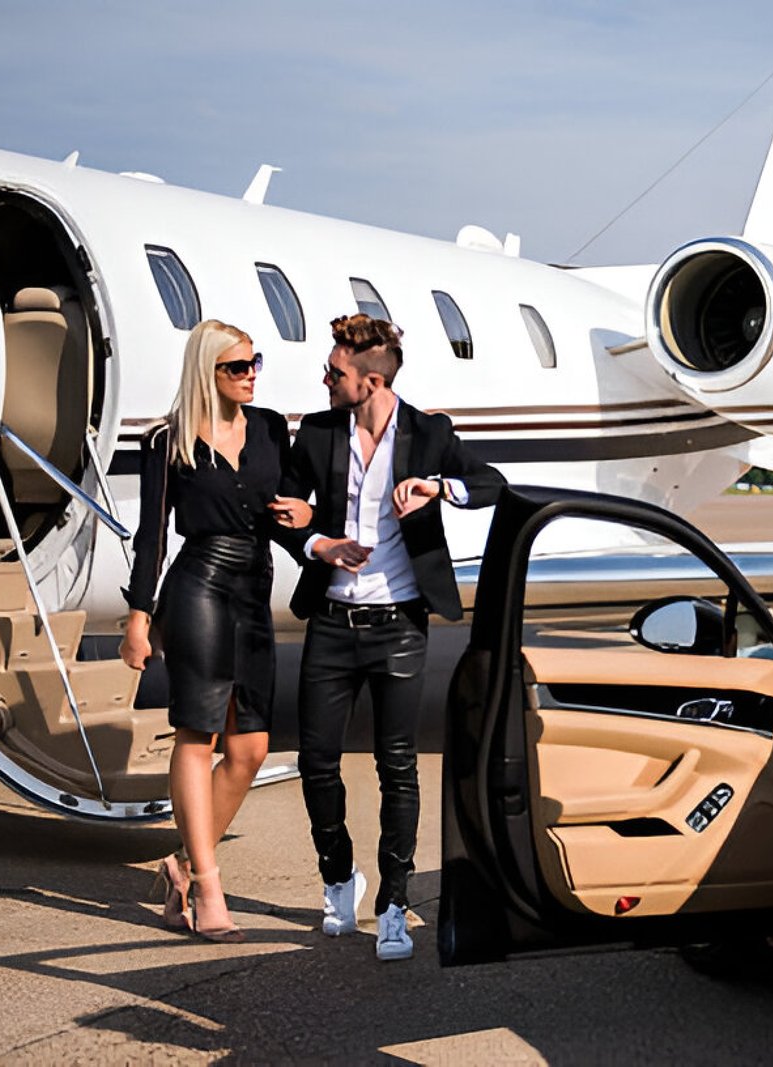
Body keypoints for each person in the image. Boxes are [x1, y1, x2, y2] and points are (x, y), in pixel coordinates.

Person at [278, 313, 504, 961]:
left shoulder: (430, 433)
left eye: (336, 372)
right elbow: (286, 510)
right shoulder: (319, 434)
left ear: (371, 381)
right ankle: (339, 876)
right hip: (330, 622)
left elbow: (491, 483)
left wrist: (437, 486)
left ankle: (394, 905)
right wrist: (318, 540)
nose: (326, 379)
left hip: (400, 626)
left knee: (396, 767)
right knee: (317, 762)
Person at [120, 319, 308, 942]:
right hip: (197, 584)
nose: (251, 375)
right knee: (197, 736)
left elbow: (283, 513)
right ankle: (209, 884)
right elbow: (153, 535)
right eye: (237, 367)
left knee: (251, 748)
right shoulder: (167, 442)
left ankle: (177, 865)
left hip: (254, 585)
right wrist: (138, 620)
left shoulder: (272, 428)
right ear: (208, 372)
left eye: (256, 364)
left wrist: (309, 523)